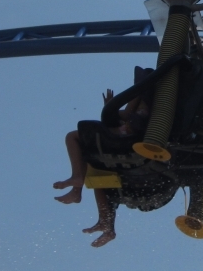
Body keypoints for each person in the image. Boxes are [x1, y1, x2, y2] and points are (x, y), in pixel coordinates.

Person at [53, 73, 153, 248]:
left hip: (129, 138)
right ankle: (106, 223)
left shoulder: (144, 92)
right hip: (134, 138)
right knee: (97, 168)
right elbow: (127, 114)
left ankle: (77, 181)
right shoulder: (162, 98)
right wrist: (111, 107)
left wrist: (111, 108)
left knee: (74, 138)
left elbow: (127, 114)